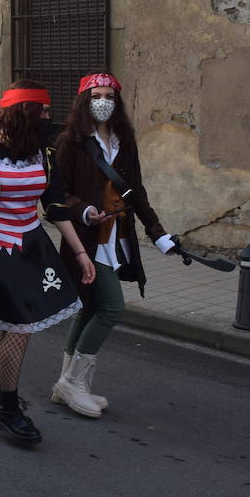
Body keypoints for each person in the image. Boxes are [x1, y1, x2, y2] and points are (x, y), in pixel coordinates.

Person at [0, 80, 94, 446]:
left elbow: (55, 206)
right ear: (23, 112)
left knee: (15, 324)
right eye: (42, 110)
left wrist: (79, 252)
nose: (48, 116)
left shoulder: (42, 153)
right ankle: (8, 406)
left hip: (30, 246)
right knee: (20, 325)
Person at [51, 72, 177, 418]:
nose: (103, 101)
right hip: (87, 239)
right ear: (83, 101)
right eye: (96, 96)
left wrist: (158, 233)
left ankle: (69, 381)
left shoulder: (124, 141)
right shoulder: (71, 142)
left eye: (109, 95)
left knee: (90, 308)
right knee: (111, 308)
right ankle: (73, 383)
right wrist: (85, 210)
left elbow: (134, 190)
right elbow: (56, 194)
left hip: (118, 237)